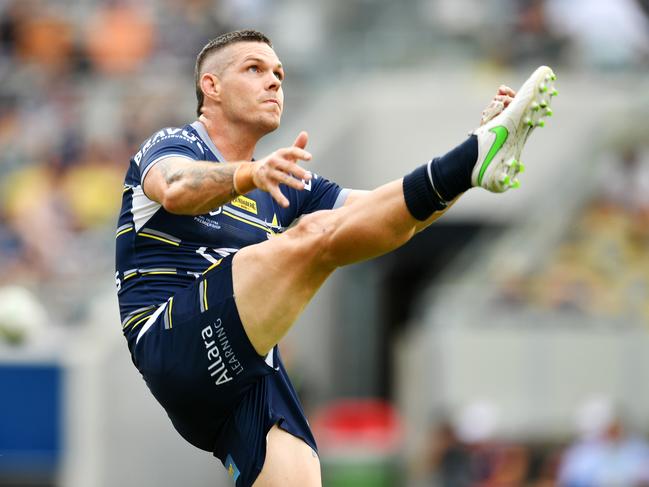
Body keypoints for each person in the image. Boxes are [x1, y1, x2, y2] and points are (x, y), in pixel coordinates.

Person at [114, 29, 557, 487]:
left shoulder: (284, 181)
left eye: (279, 75)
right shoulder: (174, 146)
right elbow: (176, 188)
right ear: (211, 87)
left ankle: (474, 162)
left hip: (242, 379)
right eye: (255, 69)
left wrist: (467, 164)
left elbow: (384, 219)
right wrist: (249, 174)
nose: (274, 83)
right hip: (172, 340)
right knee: (313, 235)